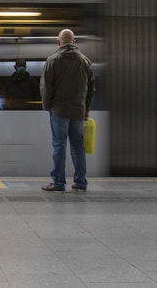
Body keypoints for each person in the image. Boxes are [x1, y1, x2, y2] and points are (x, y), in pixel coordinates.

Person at [40, 29, 95, 192]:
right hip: (78, 111)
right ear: (74, 42)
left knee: (59, 146)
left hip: (59, 111)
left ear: (59, 42)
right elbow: (91, 88)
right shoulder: (85, 61)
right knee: (78, 146)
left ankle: (58, 183)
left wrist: (48, 106)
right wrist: (86, 110)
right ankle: (80, 181)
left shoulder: (53, 60)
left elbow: (45, 87)